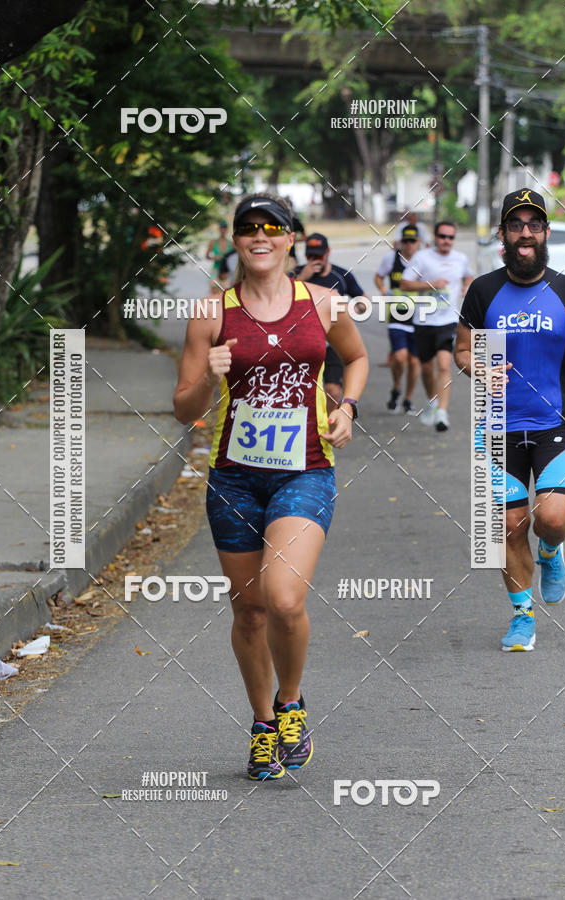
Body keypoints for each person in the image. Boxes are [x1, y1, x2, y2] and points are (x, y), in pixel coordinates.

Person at [173, 194, 368, 779]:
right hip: (233, 478)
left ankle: (292, 703)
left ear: (289, 238)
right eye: (248, 228)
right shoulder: (211, 314)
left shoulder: (325, 304)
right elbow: (184, 409)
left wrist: (349, 407)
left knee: (284, 598)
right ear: (235, 240)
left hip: (306, 467)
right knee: (250, 611)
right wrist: (208, 379)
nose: (260, 236)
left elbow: (355, 360)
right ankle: (262, 725)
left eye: (272, 227)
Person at [455, 188, 565, 651]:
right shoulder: (484, 290)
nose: (525, 234)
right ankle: (522, 618)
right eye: (515, 225)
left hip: (554, 425)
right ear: (503, 235)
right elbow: (462, 351)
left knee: (551, 518)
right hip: (496, 428)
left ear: (545, 233)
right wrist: (477, 368)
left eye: (534, 225)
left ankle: (550, 550)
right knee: (506, 527)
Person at [400, 221, 474, 431]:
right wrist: (429, 285)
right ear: (435, 237)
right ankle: (432, 400)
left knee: (443, 365)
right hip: (423, 320)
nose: (446, 241)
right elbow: (405, 283)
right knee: (426, 367)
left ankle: (442, 412)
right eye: (442, 236)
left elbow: (468, 275)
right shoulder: (422, 258)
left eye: (450, 237)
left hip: (448, 321)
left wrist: (467, 286)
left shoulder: (460, 259)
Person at [292, 232, 367, 413]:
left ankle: (325, 429)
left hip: (332, 341)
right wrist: (302, 277)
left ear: (328, 253)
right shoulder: (295, 275)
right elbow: (279, 301)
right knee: (301, 393)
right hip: (303, 342)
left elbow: (363, 301)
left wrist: (351, 310)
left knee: (333, 391)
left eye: (319, 255)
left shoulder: (341, 275)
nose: (314, 260)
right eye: (310, 255)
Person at [375, 224, 421, 414]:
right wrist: (384, 290)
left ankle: (408, 399)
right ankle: (396, 387)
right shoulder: (390, 259)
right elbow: (378, 277)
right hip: (397, 314)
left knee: (414, 361)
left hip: (420, 316)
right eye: (406, 241)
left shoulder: (424, 260)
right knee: (400, 357)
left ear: (418, 243)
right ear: (401, 242)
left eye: (413, 241)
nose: (409, 245)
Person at [206, 221, 232, 294]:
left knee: (226, 294)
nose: (223, 230)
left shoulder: (231, 243)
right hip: (216, 269)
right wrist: (214, 257)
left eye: (225, 228)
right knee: (214, 293)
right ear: (219, 229)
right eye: (222, 228)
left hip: (227, 271)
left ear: (227, 229)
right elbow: (207, 256)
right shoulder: (213, 242)